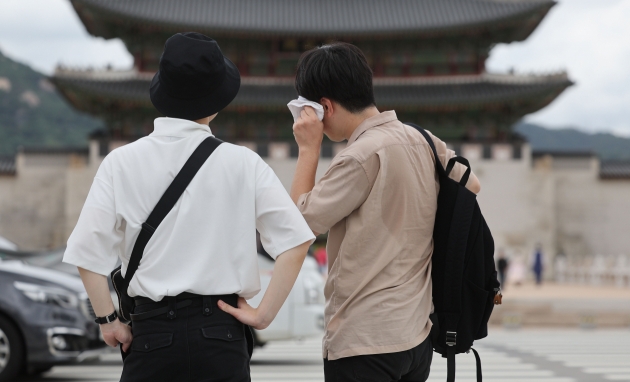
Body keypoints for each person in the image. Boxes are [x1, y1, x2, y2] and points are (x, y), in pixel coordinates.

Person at [63, 32, 315, 382]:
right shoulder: (244, 163)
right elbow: (296, 240)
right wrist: (262, 315)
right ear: (216, 101)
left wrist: (109, 322)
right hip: (221, 333)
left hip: (151, 335)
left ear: (162, 92)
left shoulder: (119, 163)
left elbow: (86, 254)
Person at [285, 42, 481, 382]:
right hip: (415, 336)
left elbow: (299, 222)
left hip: (364, 341)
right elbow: (472, 185)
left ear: (324, 107)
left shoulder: (358, 156)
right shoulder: (423, 139)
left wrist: (307, 149)